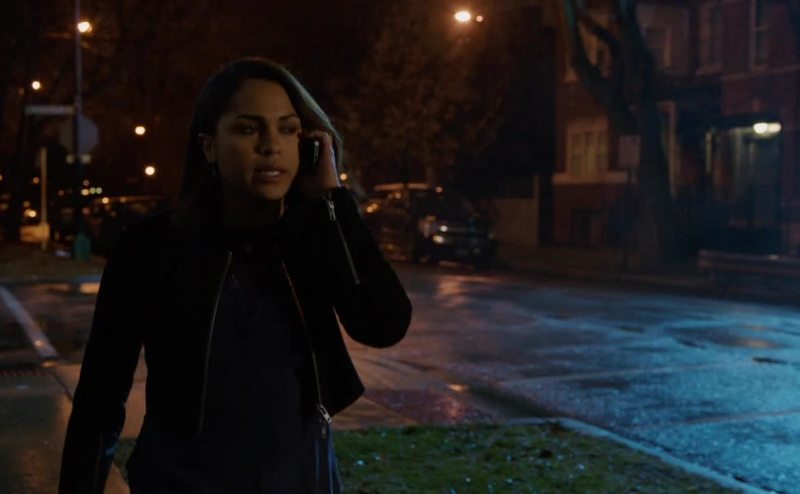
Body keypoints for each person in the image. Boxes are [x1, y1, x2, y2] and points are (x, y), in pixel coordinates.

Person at [59, 58, 413, 493]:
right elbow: (100, 397)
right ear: (209, 145)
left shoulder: (313, 237)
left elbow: (384, 323)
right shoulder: (153, 246)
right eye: (248, 129)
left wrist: (332, 202)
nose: (271, 145)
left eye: (288, 129)